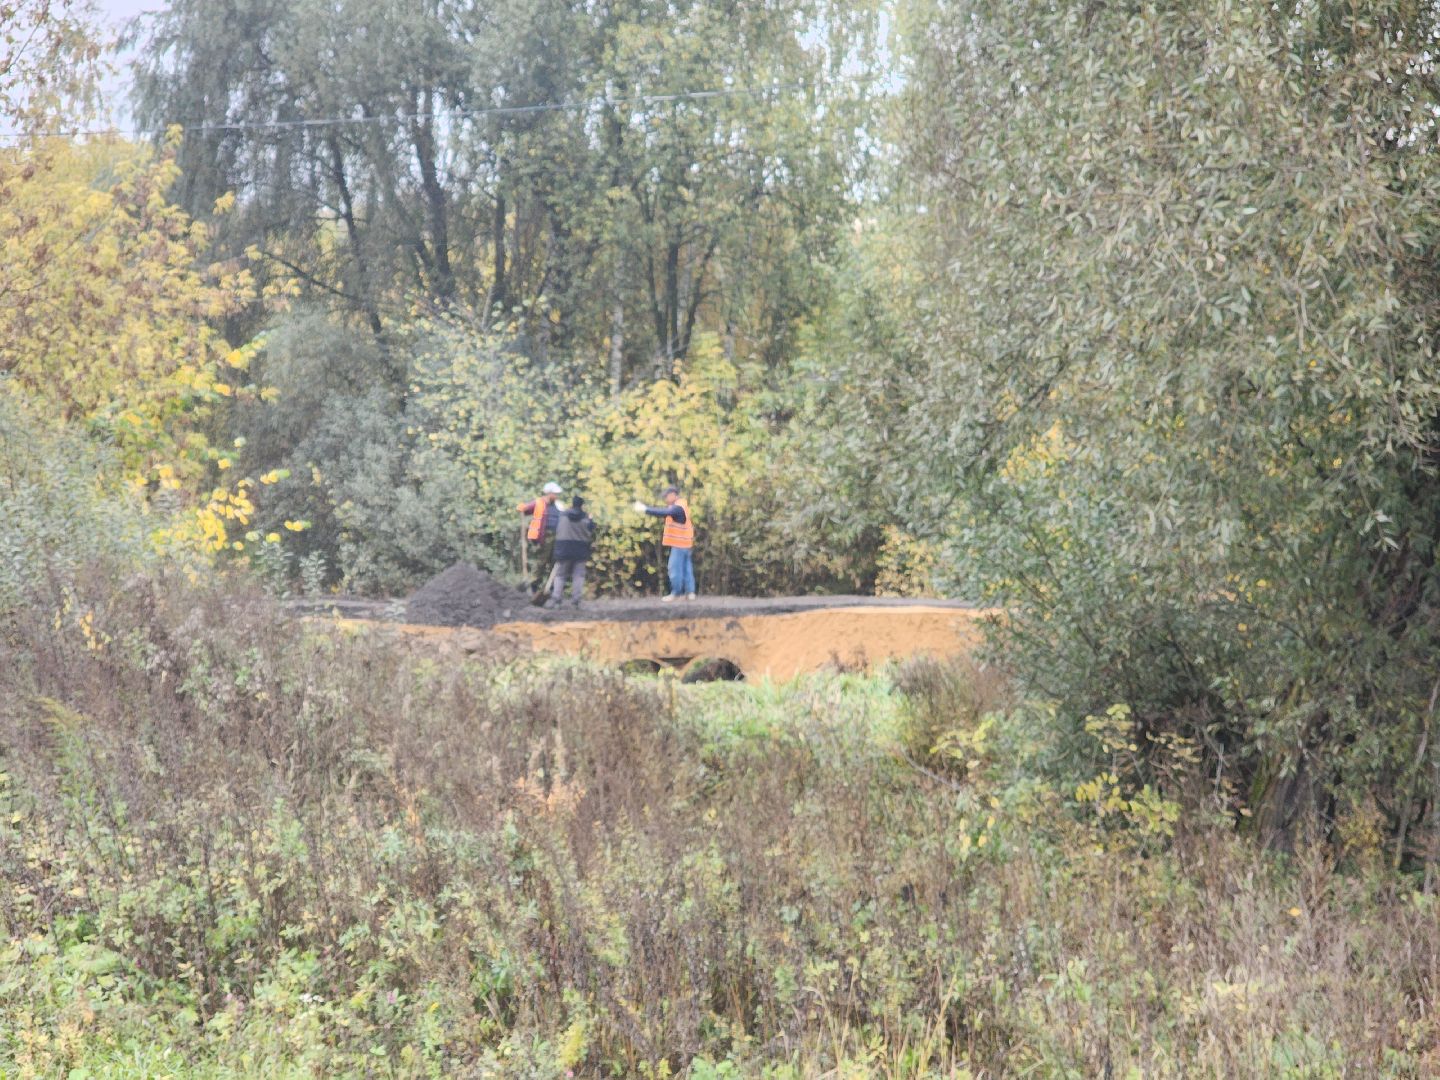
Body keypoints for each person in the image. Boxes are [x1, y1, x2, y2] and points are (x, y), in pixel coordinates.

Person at [632, 485, 695, 602]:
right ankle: (690, 593)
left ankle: (676, 593)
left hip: (679, 544)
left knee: (675, 569)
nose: (665, 499)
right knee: (687, 569)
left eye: (666, 496)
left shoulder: (677, 508)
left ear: (673, 495)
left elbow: (663, 512)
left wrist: (645, 509)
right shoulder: (682, 505)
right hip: (686, 543)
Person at [546, 496, 595, 609]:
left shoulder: (562, 516)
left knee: (560, 575)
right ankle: (576, 602)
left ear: (572, 504)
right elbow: (591, 529)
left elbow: (553, 527)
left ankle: (556, 601)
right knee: (578, 576)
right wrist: (591, 519)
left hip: (564, 548)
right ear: (581, 505)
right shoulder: (586, 518)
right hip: (580, 550)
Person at [517, 481, 562, 598]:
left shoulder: (559, 505)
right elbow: (525, 509)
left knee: (552, 562)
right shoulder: (539, 503)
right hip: (544, 537)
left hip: (557, 537)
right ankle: (533, 585)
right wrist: (521, 507)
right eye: (555, 494)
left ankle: (547, 589)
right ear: (549, 493)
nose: (557, 496)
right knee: (541, 562)